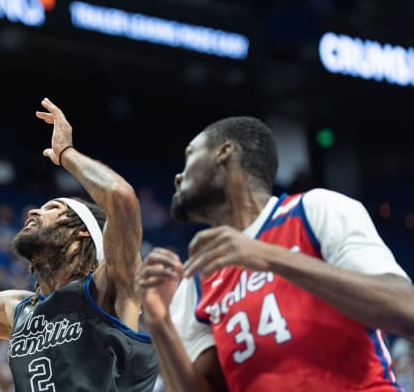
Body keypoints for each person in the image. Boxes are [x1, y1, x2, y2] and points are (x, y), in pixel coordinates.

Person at [136, 116, 414, 392]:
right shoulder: (197, 278)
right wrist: (160, 324)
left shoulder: (315, 210)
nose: (178, 176)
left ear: (224, 152)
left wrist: (270, 256)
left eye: (190, 156)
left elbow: (406, 310)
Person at [0, 98, 158, 391]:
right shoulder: (17, 311)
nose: (34, 211)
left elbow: (121, 199)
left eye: (53, 209)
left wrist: (66, 154)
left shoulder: (109, 288)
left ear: (82, 234)